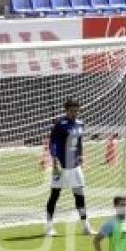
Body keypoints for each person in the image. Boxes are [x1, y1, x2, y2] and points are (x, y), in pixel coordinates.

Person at [45, 98, 93, 237]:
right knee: (54, 195)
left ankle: (86, 227)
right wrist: (54, 160)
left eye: (76, 110)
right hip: (61, 165)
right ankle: (49, 228)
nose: (74, 113)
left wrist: (81, 156)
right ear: (66, 111)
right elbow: (52, 143)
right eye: (71, 110)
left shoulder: (80, 124)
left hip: (75, 166)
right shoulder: (60, 125)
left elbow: (79, 142)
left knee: (79, 196)